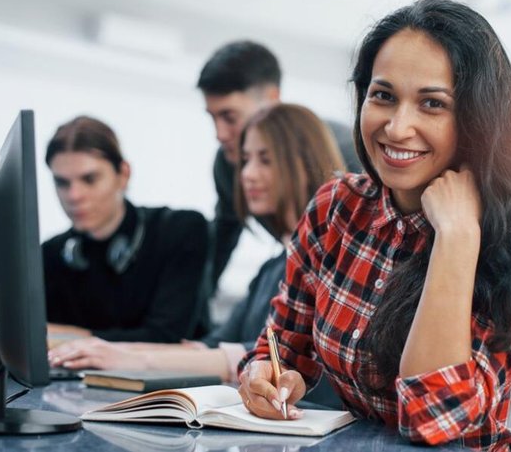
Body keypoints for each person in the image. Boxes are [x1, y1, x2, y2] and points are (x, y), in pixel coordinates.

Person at [236, 0, 511, 450]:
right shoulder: (336, 206)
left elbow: (430, 420)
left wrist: (456, 236)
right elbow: (281, 344)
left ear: (477, 120)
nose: (396, 127)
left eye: (432, 103)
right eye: (383, 95)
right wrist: (263, 373)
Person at [47, 104, 345, 387]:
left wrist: (128, 357)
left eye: (265, 160)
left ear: (303, 163)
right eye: (246, 160)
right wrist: (102, 350)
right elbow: (210, 347)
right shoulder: (271, 268)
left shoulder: (332, 260)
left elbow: (268, 358)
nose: (246, 174)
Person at [197, 40, 360, 288]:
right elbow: (222, 240)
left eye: (229, 117)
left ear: (272, 99)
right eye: (213, 117)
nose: (219, 134)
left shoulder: (350, 151)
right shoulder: (226, 164)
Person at [43, 116, 210, 343]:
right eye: (62, 183)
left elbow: (165, 338)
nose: (74, 196)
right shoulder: (50, 254)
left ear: (123, 174)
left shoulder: (178, 231)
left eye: (89, 179)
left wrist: (72, 338)